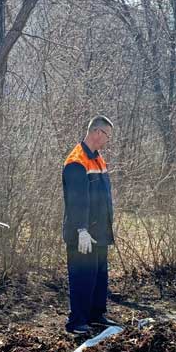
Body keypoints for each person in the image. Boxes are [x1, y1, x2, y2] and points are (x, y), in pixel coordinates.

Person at [62, 115, 118, 336]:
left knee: (99, 276)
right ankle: (77, 321)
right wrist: (81, 229)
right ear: (96, 132)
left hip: (100, 230)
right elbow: (76, 199)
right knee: (82, 276)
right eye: (107, 136)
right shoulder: (77, 161)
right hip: (83, 233)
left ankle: (96, 315)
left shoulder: (97, 158)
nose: (107, 140)